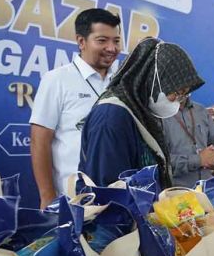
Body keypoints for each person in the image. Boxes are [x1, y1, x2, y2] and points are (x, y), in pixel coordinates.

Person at [79, 38, 204, 188]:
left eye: (184, 95)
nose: (180, 101)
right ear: (154, 81)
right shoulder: (111, 117)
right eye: (178, 92)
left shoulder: (141, 112)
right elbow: (107, 192)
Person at [30, 8, 120, 208]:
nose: (111, 48)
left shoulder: (121, 82)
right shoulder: (57, 79)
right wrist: (47, 197)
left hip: (117, 195)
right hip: (74, 199)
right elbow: (39, 140)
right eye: (102, 40)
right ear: (81, 41)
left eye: (116, 40)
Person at [162, 96, 214, 187]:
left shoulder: (201, 110)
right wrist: (199, 160)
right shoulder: (157, 115)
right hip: (175, 194)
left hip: (206, 190)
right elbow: (160, 163)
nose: (181, 90)